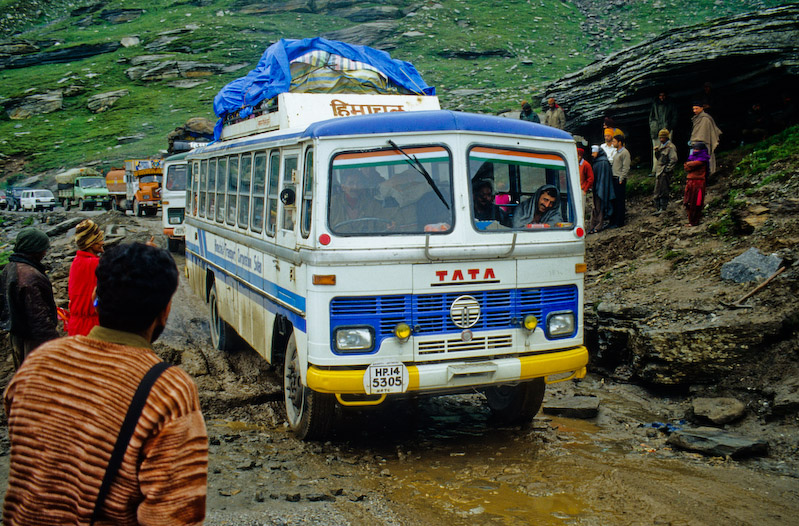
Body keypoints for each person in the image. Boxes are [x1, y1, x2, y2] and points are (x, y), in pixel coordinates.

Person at [3, 242, 207, 525]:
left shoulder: (37, 365)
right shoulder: (168, 390)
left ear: (95, 294)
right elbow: (173, 516)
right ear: (165, 311)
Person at [0, 227, 58, 369]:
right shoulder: (30, 277)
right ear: (35, 249)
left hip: (16, 334)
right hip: (32, 340)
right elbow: (39, 319)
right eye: (43, 249)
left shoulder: (9, 267)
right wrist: (56, 346)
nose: (45, 252)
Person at [67, 219, 104, 336]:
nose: (102, 243)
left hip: (75, 326)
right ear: (91, 243)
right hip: (92, 328)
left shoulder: (77, 261)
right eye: (99, 240)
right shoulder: (95, 264)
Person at [329, 168, 389, 233]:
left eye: (359, 183)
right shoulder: (332, 204)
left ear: (363, 185)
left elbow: (383, 225)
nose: (355, 187)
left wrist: (389, 226)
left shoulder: (373, 205)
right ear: (343, 187)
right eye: (351, 183)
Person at [648, 92, 678, 174]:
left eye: (663, 95)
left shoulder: (670, 104)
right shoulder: (655, 104)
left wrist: (671, 126)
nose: (662, 97)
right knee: (656, 149)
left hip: (667, 129)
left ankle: (668, 168)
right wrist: (653, 125)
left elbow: (674, 115)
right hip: (656, 129)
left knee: (667, 149)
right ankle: (655, 169)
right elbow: (651, 117)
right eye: (660, 95)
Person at [690, 101, 722, 174]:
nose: (694, 111)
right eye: (693, 109)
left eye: (696, 108)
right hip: (695, 143)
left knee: (705, 160)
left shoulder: (706, 119)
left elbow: (706, 133)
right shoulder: (695, 118)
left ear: (701, 108)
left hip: (704, 143)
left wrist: (701, 141)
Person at [588, 145, 614, 234]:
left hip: (601, 188)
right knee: (595, 207)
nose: (592, 154)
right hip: (596, 187)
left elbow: (604, 178)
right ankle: (592, 225)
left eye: (594, 152)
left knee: (600, 207)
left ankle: (598, 225)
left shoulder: (603, 162)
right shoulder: (597, 161)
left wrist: (600, 188)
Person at [683, 142, 710, 226]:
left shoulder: (703, 159)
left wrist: (688, 164)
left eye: (697, 149)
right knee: (687, 201)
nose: (695, 150)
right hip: (691, 182)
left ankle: (694, 221)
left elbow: (688, 166)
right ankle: (691, 220)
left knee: (696, 202)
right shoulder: (694, 158)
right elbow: (687, 166)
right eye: (694, 149)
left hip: (698, 183)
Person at [652, 129, 678, 213]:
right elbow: (659, 158)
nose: (660, 139)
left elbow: (673, 159)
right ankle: (658, 208)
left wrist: (667, 169)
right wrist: (656, 152)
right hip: (659, 171)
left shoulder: (670, 147)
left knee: (664, 190)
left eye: (662, 137)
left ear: (666, 137)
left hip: (664, 172)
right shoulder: (661, 146)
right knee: (657, 190)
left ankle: (663, 208)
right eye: (660, 137)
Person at [609, 134, 630, 228]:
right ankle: (614, 221)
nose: (612, 143)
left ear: (619, 142)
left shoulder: (625, 153)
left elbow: (626, 167)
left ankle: (620, 222)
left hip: (619, 179)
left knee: (620, 201)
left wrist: (621, 178)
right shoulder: (616, 152)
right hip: (614, 178)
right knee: (615, 201)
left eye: (614, 141)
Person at [577, 147, 594, 215]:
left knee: (581, 208)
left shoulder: (586, 165)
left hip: (582, 189)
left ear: (580, 156)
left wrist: (585, 190)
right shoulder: (576, 164)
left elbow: (591, 178)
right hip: (576, 189)